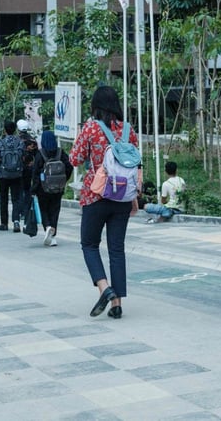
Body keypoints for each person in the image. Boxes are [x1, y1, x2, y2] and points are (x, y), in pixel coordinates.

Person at [69, 86, 139, 320]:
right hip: (122, 197)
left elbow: (75, 159)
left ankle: (104, 288)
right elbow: (136, 164)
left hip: (95, 195)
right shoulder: (128, 130)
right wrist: (135, 197)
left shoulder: (90, 128)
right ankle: (117, 304)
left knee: (89, 244)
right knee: (116, 249)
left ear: (96, 105)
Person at [31, 130, 71, 247]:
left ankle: (48, 226)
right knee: (55, 210)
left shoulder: (40, 154)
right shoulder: (60, 152)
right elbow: (69, 166)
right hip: (58, 188)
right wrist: (63, 179)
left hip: (43, 189)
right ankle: (53, 236)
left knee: (44, 210)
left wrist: (33, 189)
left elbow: (35, 174)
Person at [0, 121, 25, 232]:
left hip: (3, 175)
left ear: (4, 130)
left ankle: (4, 223)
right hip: (17, 174)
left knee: (3, 199)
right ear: (15, 130)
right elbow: (23, 158)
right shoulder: (20, 142)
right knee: (16, 199)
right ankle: (16, 222)